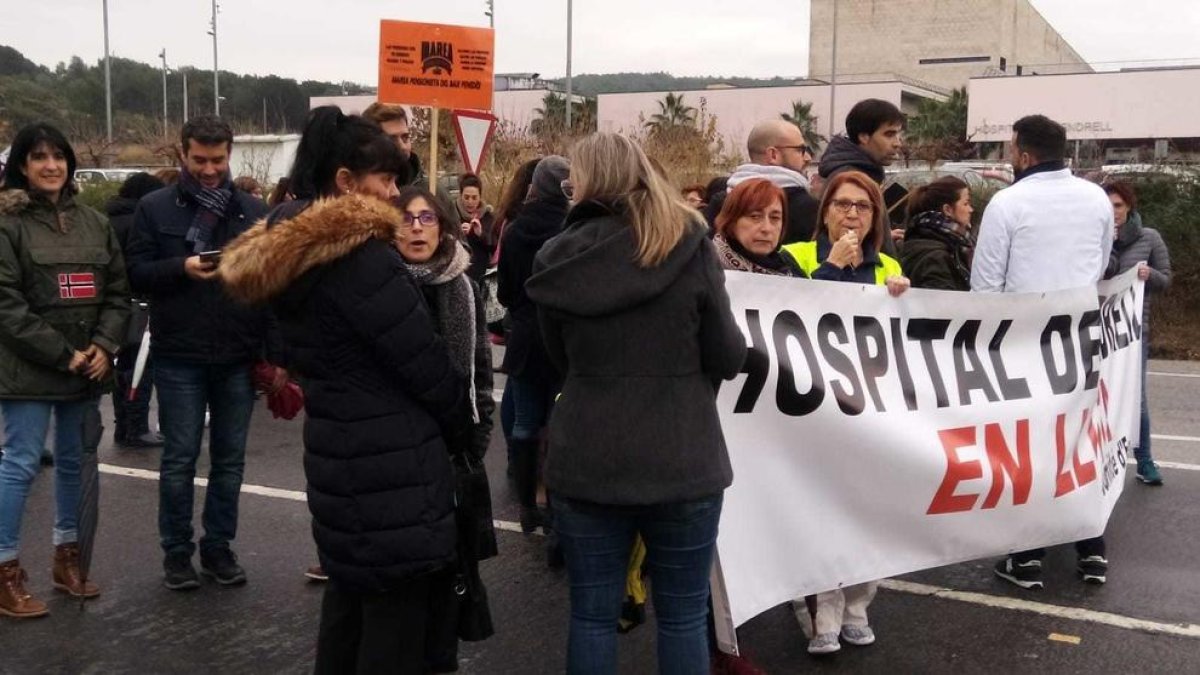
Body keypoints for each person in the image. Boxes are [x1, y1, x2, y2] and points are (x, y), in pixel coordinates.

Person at [217, 106, 466, 674]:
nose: (396, 194)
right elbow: (423, 363)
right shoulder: (359, 257)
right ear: (347, 182)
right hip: (391, 459)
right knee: (394, 622)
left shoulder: (296, 249)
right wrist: (461, 428)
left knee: (351, 602)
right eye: (387, 180)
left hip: (339, 446)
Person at [525, 132, 747, 674]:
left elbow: (558, 357)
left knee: (592, 616)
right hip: (683, 451)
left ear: (584, 181)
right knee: (683, 615)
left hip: (587, 453)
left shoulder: (557, 256)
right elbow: (727, 353)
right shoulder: (688, 243)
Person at [126, 115, 281, 591]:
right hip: (178, 354)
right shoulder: (153, 207)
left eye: (217, 160)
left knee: (230, 462)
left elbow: (269, 284)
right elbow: (135, 273)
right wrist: (182, 267)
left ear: (229, 154)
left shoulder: (253, 210)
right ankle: (177, 553)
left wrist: (273, 355)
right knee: (179, 459)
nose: (210, 170)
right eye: (200, 160)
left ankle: (218, 549)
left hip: (237, 354)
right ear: (183, 154)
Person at [971, 114, 1114, 588]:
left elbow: (986, 287)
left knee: (1028, 448)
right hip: (1081, 342)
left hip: (1024, 346)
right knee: (1078, 442)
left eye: (1012, 148)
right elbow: (1100, 264)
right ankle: (1092, 550)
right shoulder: (1096, 198)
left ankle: (1027, 555)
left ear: (1024, 154)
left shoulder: (1008, 203)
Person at [0, 123, 131, 618]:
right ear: (22, 165)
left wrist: (104, 345)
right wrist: (63, 353)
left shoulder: (95, 223)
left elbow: (117, 293)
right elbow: (6, 306)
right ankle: (5, 570)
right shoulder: (7, 224)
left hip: (85, 369)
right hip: (28, 371)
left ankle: (67, 558)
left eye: (59, 156)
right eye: (39, 157)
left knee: (74, 464)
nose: (51, 165)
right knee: (20, 464)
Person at [779, 170, 908, 656]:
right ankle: (820, 614)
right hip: (811, 413)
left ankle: (857, 607)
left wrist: (905, 296)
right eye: (842, 204)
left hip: (866, 415)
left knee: (864, 515)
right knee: (816, 515)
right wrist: (831, 267)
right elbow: (792, 318)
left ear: (875, 217)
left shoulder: (886, 265)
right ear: (825, 211)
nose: (852, 214)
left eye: (863, 206)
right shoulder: (796, 256)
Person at [393, 185, 498, 672]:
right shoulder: (383, 289)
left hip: (452, 449)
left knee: (449, 570)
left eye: (427, 218)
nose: (417, 228)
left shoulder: (463, 287)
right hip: (397, 451)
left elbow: (480, 368)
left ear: (443, 227)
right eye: (407, 218)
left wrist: (478, 436)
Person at [497, 155, 570, 535]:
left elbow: (505, 291)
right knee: (558, 426)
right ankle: (555, 509)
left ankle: (526, 506)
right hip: (563, 339)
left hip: (525, 338)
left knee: (525, 422)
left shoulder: (516, 229)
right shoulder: (572, 227)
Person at [1104, 181, 1171, 486]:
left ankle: (1145, 461)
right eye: (1108, 206)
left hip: (1133, 331)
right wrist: (1105, 245)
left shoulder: (1149, 238)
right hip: (1101, 330)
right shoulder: (1098, 238)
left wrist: (1149, 274)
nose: (1114, 212)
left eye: (1118, 206)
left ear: (1129, 206)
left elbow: (1165, 280)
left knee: (1136, 396)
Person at [106, 172, 167, 448]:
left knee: (122, 364)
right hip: (139, 303)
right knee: (142, 365)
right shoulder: (140, 221)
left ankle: (122, 425)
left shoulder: (108, 220)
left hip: (114, 304)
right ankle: (137, 427)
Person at [705, 120, 818, 245]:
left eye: (774, 218)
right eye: (800, 150)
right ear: (773, 155)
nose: (807, 158)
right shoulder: (806, 208)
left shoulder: (720, 200)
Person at [818, 99, 906, 248]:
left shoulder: (864, 173)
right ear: (864, 136)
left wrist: (885, 237)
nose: (897, 143)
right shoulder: (851, 178)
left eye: (898, 135)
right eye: (889, 134)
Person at [713, 178, 803, 277]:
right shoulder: (706, 269)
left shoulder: (791, 271)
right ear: (731, 221)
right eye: (755, 217)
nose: (766, 228)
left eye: (775, 218)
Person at [900, 176, 974, 291]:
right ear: (948, 210)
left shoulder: (931, 240)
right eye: (966, 203)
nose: (971, 209)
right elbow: (941, 300)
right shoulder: (936, 257)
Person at [455, 173, 497, 284]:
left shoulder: (488, 217)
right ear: (460, 195)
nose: (470, 202)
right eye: (466, 197)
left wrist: (480, 234)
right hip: (458, 275)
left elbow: (495, 247)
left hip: (481, 276)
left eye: (474, 198)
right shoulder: (452, 215)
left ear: (480, 197)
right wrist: (458, 233)